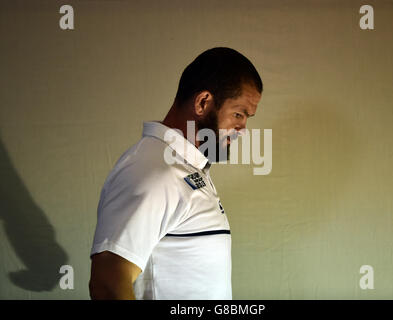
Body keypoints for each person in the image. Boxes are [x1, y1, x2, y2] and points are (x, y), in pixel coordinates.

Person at [88, 47, 263, 300]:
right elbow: (107, 284)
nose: (243, 129)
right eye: (238, 114)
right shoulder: (155, 170)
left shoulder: (185, 168)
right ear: (203, 103)